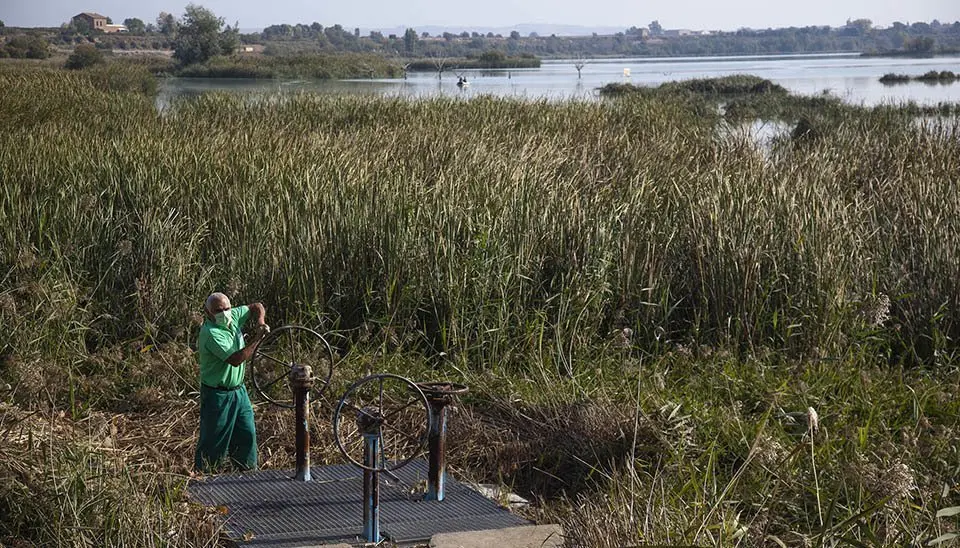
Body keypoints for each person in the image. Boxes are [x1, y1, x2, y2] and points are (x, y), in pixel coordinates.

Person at [194, 292, 269, 473]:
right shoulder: (211, 333)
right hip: (217, 395)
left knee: (247, 434)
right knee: (214, 440)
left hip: (238, 391)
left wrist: (260, 321)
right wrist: (257, 339)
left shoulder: (231, 315)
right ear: (208, 312)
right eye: (218, 310)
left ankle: (247, 475)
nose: (224, 313)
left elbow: (256, 305)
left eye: (227, 308)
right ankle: (205, 480)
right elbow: (236, 359)